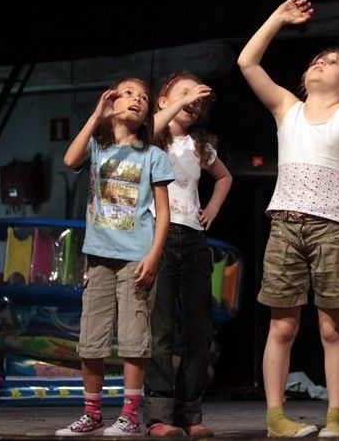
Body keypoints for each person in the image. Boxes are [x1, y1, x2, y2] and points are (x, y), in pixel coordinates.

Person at [237, 0, 339, 437]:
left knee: (333, 328)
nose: (320, 63)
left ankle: (335, 416)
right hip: (286, 224)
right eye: (317, 59)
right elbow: (247, 62)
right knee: (282, 325)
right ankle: (276, 418)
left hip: (331, 227)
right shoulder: (287, 108)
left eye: (332, 62)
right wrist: (278, 17)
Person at [56, 78, 174, 436]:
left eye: (143, 98)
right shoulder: (97, 146)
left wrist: (154, 255)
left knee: (134, 339)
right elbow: (69, 159)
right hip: (98, 256)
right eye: (128, 93)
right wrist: (97, 115)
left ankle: (129, 416)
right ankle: (92, 414)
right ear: (112, 101)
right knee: (91, 339)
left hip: (136, 257)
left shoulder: (152, 155)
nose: (136, 99)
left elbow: (163, 213)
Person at [143, 72, 233, 437]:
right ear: (164, 101)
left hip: (194, 239)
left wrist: (211, 208)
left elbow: (225, 177)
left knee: (198, 330)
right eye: (184, 94)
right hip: (159, 235)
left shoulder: (199, 145)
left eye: (197, 100)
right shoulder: (151, 139)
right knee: (160, 328)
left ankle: (190, 413)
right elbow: (149, 129)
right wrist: (182, 100)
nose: (192, 102)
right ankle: (158, 414)